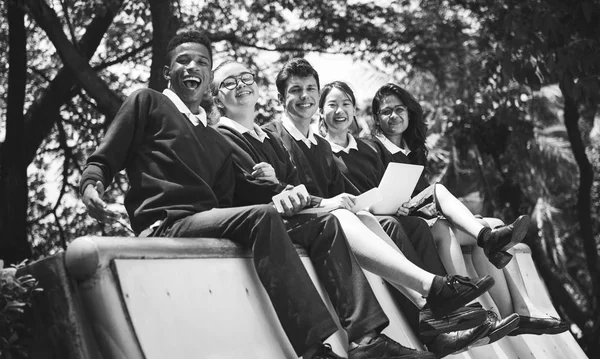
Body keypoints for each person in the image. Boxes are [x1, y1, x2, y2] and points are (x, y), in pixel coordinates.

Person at [253, 57, 498, 357]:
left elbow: (333, 191)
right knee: (381, 223)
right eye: (295, 90)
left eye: (310, 89)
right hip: (302, 223)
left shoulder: (319, 146)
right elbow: (281, 191)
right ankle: (433, 301)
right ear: (281, 98)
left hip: (331, 218)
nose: (304, 96)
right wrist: (327, 203)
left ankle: (429, 309)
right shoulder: (270, 135)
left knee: (374, 217)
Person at [367, 83, 569, 337]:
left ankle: (519, 309)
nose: (393, 116)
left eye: (399, 109)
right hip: (409, 227)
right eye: (386, 112)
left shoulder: (412, 151)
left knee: (492, 224)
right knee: (456, 221)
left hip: (427, 217)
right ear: (376, 117)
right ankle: (473, 307)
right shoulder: (373, 148)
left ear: (409, 113)